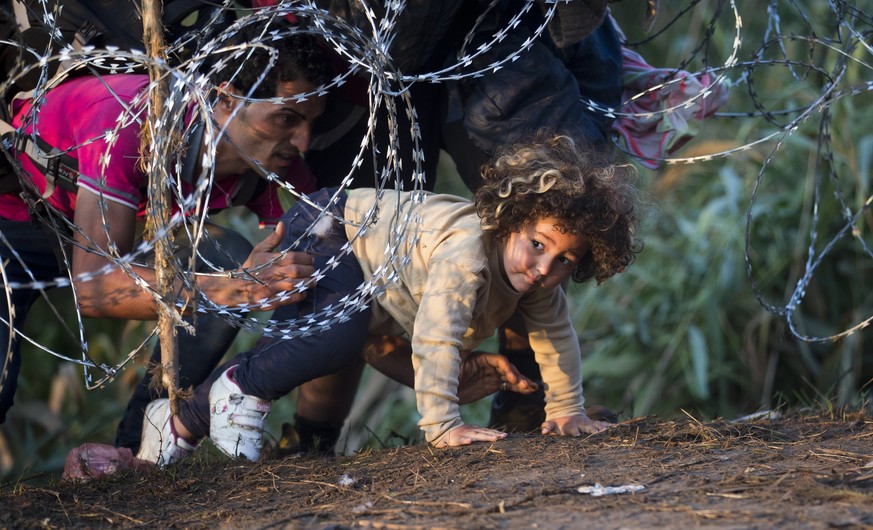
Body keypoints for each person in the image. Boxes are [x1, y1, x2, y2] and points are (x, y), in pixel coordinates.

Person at [136, 131, 639, 467]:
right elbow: (436, 335)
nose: (544, 268)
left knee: (332, 339)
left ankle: (179, 422)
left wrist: (568, 409)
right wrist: (442, 427)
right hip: (332, 228)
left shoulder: (534, 280)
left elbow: (556, 338)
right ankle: (239, 386)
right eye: (538, 245)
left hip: (366, 269)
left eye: (565, 261)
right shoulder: (468, 252)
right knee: (333, 340)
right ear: (512, 218)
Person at [0, 24, 332, 445]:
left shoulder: (274, 163)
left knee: (226, 253)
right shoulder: (132, 121)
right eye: (286, 118)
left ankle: (142, 447)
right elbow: (97, 288)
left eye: (310, 122)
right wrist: (241, 291)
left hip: (121, 229)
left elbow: (319, 267)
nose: (302, 141)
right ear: (227, 98)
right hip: (15, 223)